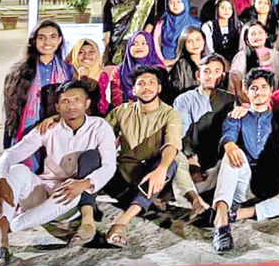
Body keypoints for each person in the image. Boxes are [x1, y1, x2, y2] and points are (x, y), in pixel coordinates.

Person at [0, 82, 116, 266]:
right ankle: (1, 244)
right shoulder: (48, 128)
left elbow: (110, 166)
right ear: (58, 107)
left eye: (77, 100)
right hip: (41, 189)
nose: (71, 106)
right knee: (15, 171)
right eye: (65, 101)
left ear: (87, 103)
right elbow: (12, 153)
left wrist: (85, 183)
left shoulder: (100, 127)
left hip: (68, 199)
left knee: (72, 190)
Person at [211, 69, 279, 252]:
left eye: (263, 87)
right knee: (232, 155)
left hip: (272, 185)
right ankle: (221, 220)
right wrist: (229, 144)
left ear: (271, 90)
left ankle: (239, 214)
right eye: (253, 88)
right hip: (243, 184)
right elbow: (228, 134)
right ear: (246, 91)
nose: (259, 92)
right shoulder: (237, 116)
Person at [102, 67, 183, 248]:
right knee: (92, 157)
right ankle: (143, 203)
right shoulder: (121, 111)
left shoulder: (170, 113)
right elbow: (98, 134)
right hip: (121, 178)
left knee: (170, 163)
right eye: (141, 83)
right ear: (133, 90)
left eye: (151, 83)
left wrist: (161, 169)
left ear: (159, 88)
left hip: (152, 178)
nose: (146, 87)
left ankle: (122, 222)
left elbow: (172, 144)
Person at [172, 54, 239, 196]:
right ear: (198, 75)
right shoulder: (184, 100)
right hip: (192, 155)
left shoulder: (230, 100)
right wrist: (191, 159)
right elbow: (182, 130)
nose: (211, 76)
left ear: (223, 75)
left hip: (218, 156)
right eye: (206, 71)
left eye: (216, 72)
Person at [3, 19, 72, 150]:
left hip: (57, 129)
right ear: (34, 41)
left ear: (59, 40)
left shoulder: (68, 71)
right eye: (42, 37)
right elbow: (11, 112)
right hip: (26, 130)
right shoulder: (19, 72)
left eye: (53, 37)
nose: (47, 42)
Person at [102, 0, 158, 66]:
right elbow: (107, 26)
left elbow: (150, 22)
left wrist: (141, 40)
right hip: (117, 43)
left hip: (137, 42)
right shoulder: (112, 0)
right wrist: (106, 48)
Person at [110, 30, 165, 107]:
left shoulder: (159, 69)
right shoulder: (118, 71)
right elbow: (116, 99)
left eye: (143, 43)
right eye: (134, 44)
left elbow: (164, 97)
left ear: (151, 46)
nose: (139, 47)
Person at [230, 21, 279, 101]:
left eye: (260, 33)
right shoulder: (241, 57)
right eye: (253, 34)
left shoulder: (276, 55)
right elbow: (237, 87)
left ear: (266, 35)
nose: (257, 37)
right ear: (246, 37)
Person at [153, 0, 201, 66]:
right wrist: (162, 61)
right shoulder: (162, 23)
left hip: (187, 64)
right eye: (172, 3)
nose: (175, 5)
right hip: (165, 64)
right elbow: (156, 44)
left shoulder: (195, 24)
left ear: (185, 3)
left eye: (179, 2)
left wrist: (176, 61)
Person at [67, 38, 112, 117]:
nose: (86, 56)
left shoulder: (105, 76)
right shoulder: (67, 74)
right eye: (81, 52)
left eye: (91, 52)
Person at [167, 27, 206, 100]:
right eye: (189, 41)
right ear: (183, 44)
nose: (194, 44)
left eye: (198, 40)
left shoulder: (209, 62)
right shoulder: (181, 65)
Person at [201, 0, 242, 64]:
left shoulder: (239, 26)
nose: (226, 11)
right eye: (223, 8)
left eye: (229, 8)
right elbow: (209, 50)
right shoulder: (208, 26)